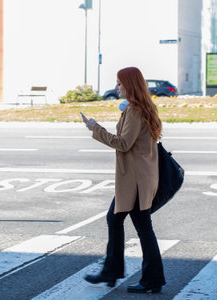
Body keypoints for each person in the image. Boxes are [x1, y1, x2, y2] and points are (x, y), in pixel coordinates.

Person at [81, 67, 165, 294]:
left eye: (119, 83)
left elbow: (123, 143)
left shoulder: (136, 111)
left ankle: (150, 279)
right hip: (138, 178)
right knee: (116, 220)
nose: (116, 87)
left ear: (129, 85)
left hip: (136, 181)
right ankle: (114, 270)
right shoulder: (140, 109)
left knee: (141, 228)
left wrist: (95, 128)